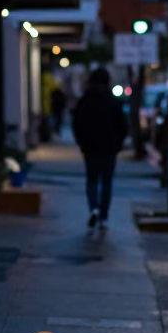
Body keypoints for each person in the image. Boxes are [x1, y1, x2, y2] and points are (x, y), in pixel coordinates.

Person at [72, 67, 127, 229]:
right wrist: (118, 144)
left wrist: (82, 143)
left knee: (92, 180)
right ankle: (104, 216)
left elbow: (77, 124)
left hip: (90, 148)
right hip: (109, 148)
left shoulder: (84, 101)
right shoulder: (114, 102)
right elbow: (123, 126)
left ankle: (93, 208)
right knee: (107, 182)